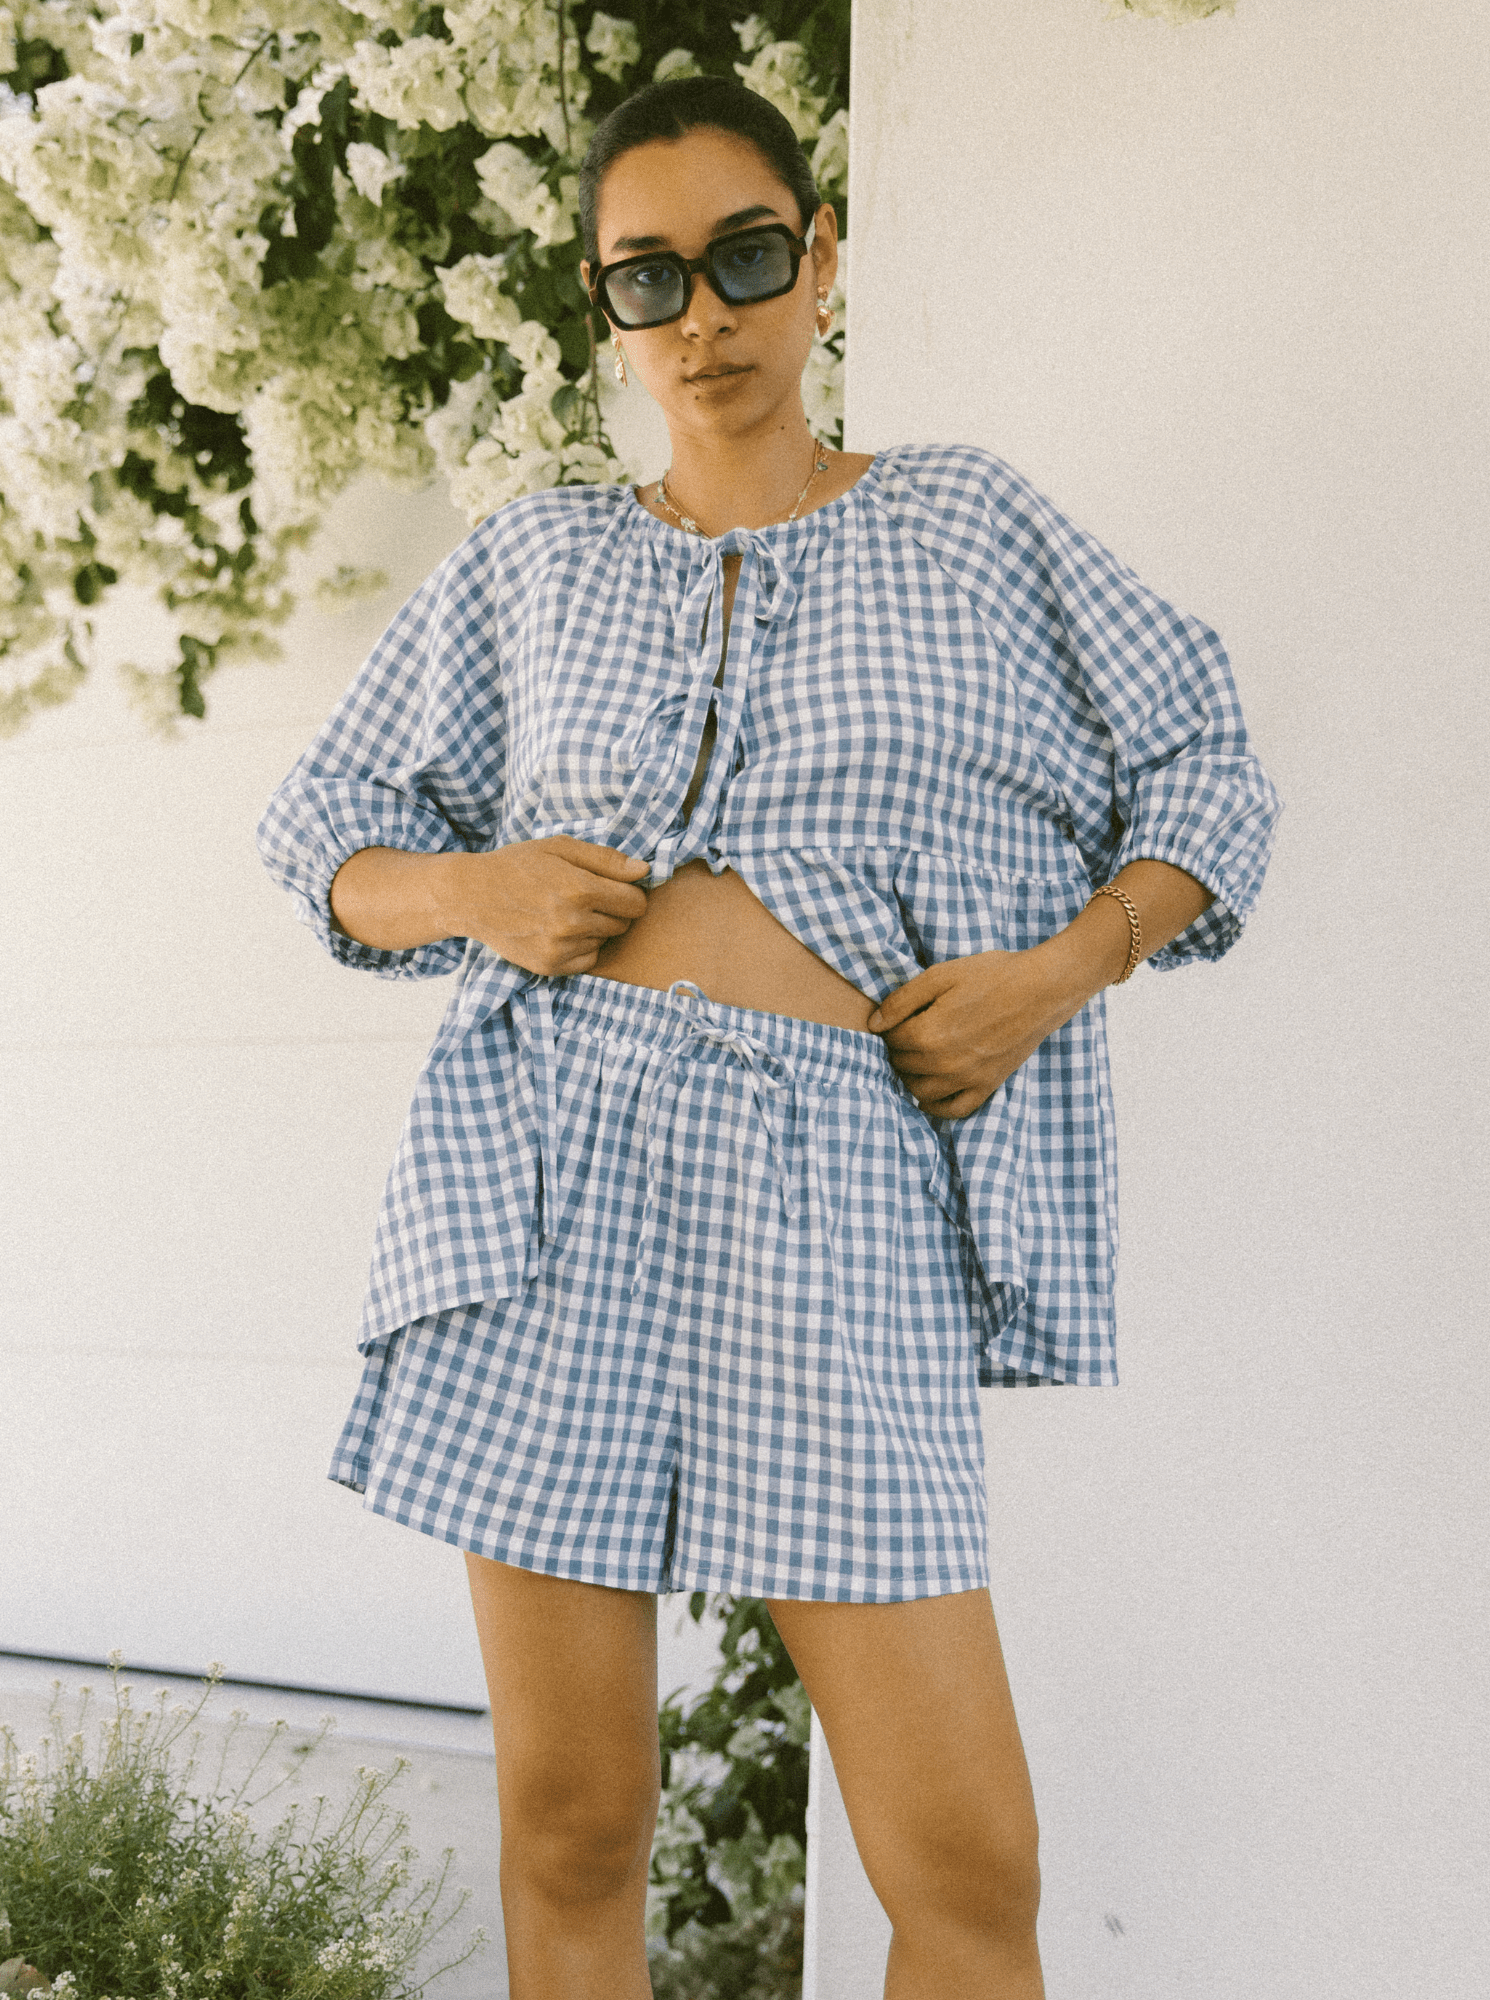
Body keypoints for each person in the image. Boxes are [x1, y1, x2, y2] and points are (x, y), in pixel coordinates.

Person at [257, 73, 1281, 2000]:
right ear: (604, 307)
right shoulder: (533, 566)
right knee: (574, 1827)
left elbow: (1207, 763)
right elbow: (323, 839)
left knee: (968, 1870)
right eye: (647, 278)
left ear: (819, 261)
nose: (702, 317)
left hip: (842, 1190)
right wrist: (476, 888)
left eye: (741, 258)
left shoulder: (969, 526)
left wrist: (1061, 969)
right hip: (555, 1174)